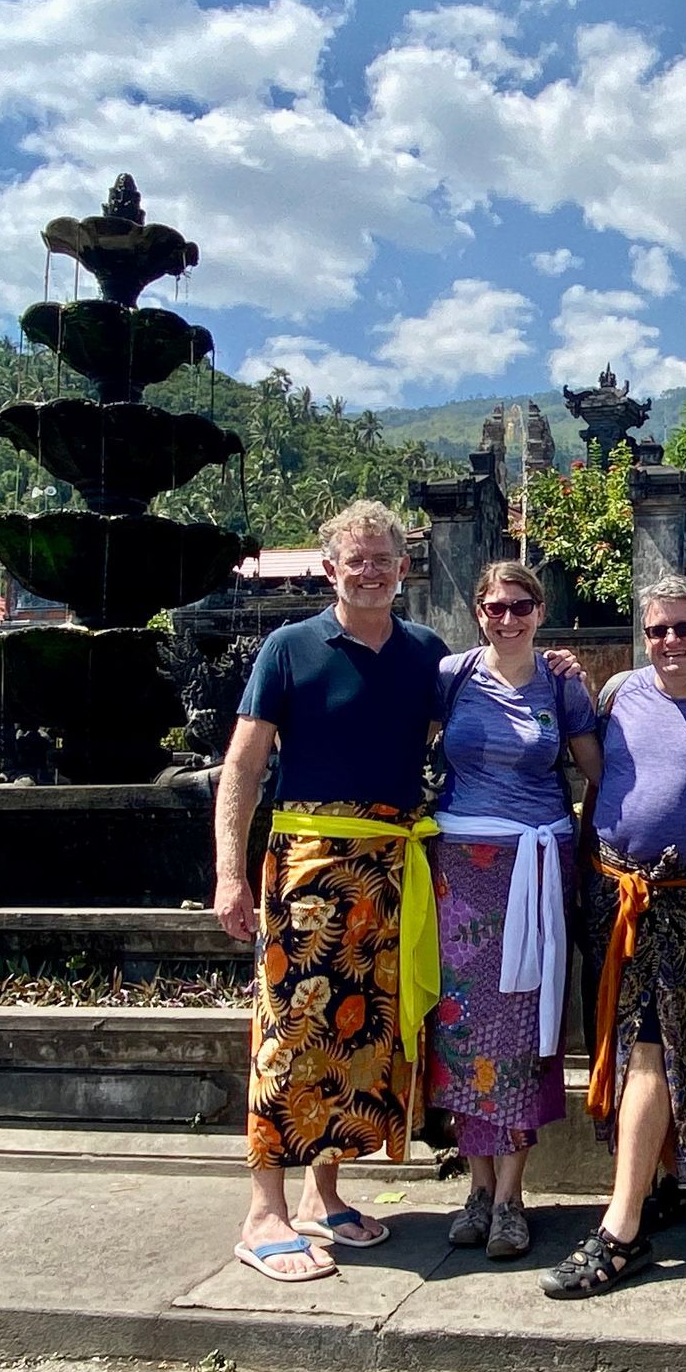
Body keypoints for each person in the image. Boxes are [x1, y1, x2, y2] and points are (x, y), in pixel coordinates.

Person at [215, 500, 447, 1283]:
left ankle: (324, 1195)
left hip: (389, 871)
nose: (372, 570)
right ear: (331, 570)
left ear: (403, 568)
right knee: (289, 1030)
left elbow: (483, 716)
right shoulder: (289, 648)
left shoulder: (425, 654)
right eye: (358, 560)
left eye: (385, 558)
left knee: (360, 1032)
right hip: (309, 868)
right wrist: (228, 872)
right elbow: (243, 768)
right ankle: (263, 1211)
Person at [537, 574, 686, 1298]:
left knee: (657, 1045)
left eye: (683, 628)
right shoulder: (617, 695)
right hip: (608, 895)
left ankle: (619, 1230)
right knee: (614, 1037)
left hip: (684, 901)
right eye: (657, 630)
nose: (670, 642)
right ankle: (666, 1178)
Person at [430, 561, 600, 1263]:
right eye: (495, 606)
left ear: (540, 609)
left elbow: (599, 771)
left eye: (521, 605)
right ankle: (476, 1186)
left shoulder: (563, 683)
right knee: (463, 1026)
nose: (508, 618)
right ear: (478, 612)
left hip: (536, 864)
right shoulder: (450, 676)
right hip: (462, 872)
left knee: (525, 1023)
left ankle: (510, 1197)